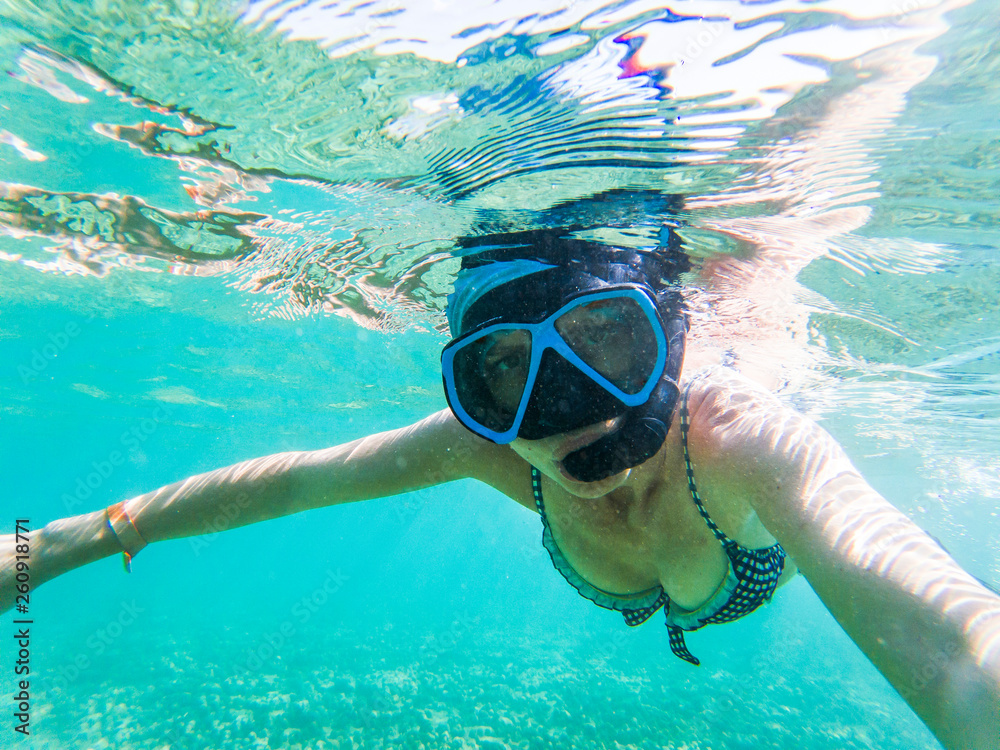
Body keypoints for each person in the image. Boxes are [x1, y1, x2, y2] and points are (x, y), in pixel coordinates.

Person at [2, 228, 999, 750]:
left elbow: (954, 645)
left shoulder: (737, 437)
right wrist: (51, 548)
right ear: (469, 387)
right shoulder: (482, 448)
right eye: (503, 371)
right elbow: (289, 486)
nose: (564, 400)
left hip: (737, 574)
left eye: (609, 341)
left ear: (671, 342)